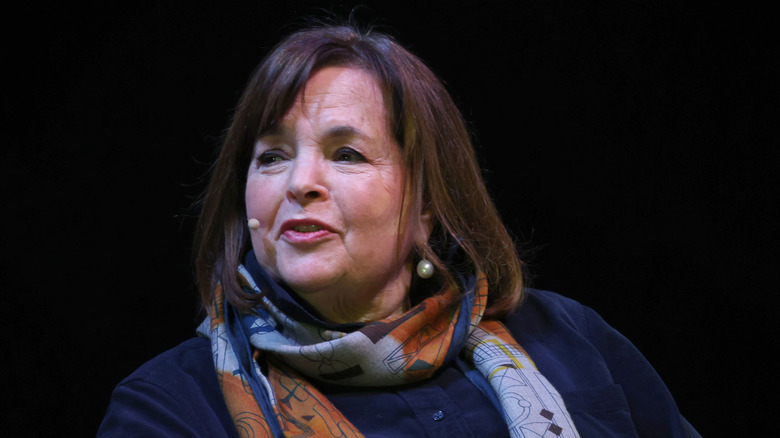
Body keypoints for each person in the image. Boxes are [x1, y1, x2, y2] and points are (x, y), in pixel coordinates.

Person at [98, 22, 700, 437]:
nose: (299, 182)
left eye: (347, 155)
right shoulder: (170, 405)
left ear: (427, 205)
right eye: (273, 156)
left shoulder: (568, 337)